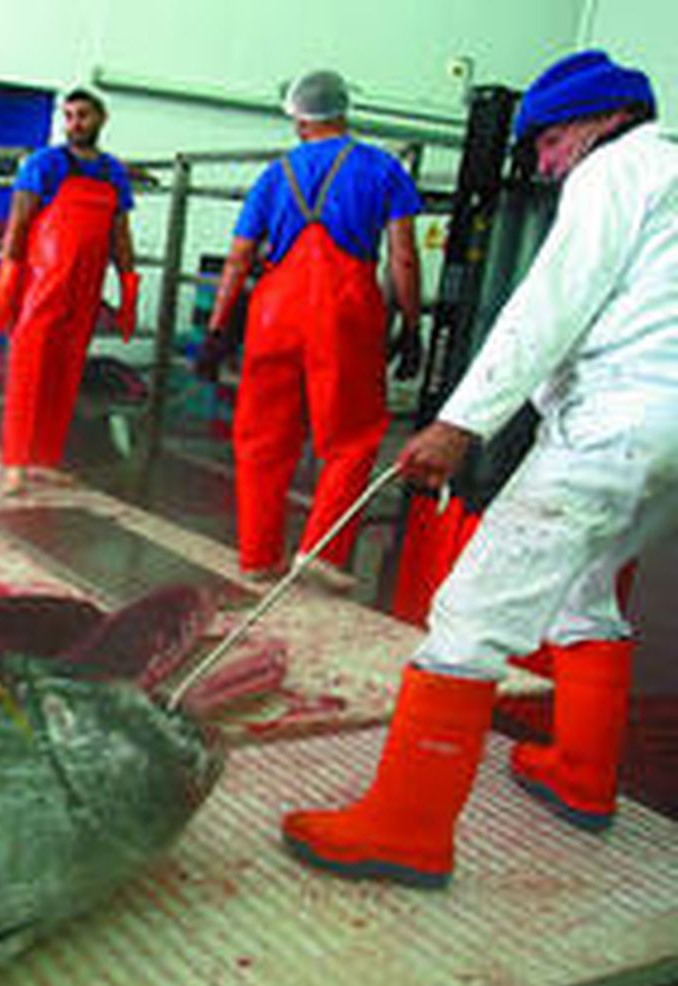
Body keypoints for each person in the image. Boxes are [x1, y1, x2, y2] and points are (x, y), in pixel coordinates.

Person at [282, 50, 674, 888]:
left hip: (616, 423)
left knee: (471, 612)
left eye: (550, 143)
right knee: (590, 587)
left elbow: (549, 307)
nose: (544, 165)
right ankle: (582, 773)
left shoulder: (614, 173)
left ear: (602, 120)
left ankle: (406, 831)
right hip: (666, 436)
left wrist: (458, 424)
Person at [201, 69, 423, 589]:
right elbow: (404, 259)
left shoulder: (274, 175)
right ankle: (321, 553)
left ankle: (258, 556)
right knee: (352, 436)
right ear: (344, 111)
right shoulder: (383, 168)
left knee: (261, 436)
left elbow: (238, 259)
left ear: (299, 120)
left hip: (274, 310)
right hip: (345, 310)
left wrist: (217, 329)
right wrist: (412, 325)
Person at [0, 88, 140, 495]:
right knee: (27, 373)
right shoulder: (43, 164)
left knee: (65, 375)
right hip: (43, 288)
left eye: (83, 115)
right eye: (69, 116)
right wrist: (6, 285)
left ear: (101, 118)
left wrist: (128, 288)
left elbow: (120, 235)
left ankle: (44, 460)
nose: (75, 124)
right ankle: (16, 465)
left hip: (84, 292)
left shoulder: (114, 173)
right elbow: (18, 225)